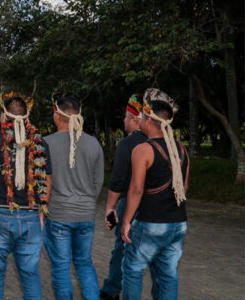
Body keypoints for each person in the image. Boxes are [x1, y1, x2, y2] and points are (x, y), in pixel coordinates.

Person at [0, 91, 51, 300]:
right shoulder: (40, 142)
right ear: (27, 116)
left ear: (3, 115)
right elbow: (46, 180)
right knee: (30, 274)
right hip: (31, 215)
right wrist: (42, 209)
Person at [121, 89, 190, 300]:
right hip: (178, 223)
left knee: (132, 269)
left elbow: (137, 189)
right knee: (168, 274)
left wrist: (126, 221)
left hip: (151, 222)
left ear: (149, 121)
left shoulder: (143, 149)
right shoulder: (182, 149)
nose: (139, 118)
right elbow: (183, 189)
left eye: (142, 115)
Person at [43, 95, 104, 300]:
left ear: (57, 115)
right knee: (84, 263)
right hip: (86, 214)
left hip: (59, 214)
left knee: (61, 267)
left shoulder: (46, 144)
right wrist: (85, 201)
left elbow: (41, 182)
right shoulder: (93, 143)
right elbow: (98, 182)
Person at [100, 94, 155, 300]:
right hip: (155, 206)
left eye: (125, 117)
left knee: (122, 249)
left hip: (128, 204)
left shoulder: (127, 144)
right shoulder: (159, 142)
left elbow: (117, 181)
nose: (123, 121)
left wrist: (110, 208)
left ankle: (112, 289)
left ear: (134, 119)